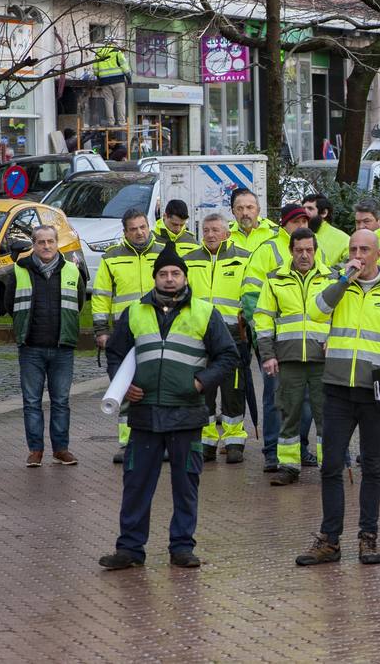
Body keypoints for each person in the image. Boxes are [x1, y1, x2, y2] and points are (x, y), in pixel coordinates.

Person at [98, 244, 239, 570]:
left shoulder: (205, 312)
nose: (170, 279)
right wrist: (122, 384)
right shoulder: (135, 311)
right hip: (144, 414)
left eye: (176, 273)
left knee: (185, 486)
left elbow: (228, 356)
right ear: (155, 278)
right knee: (135, 485)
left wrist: (201, 383)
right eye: (164, 274)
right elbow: (116, 353)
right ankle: (130, 550)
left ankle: (182, 548)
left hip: (186, 413)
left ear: (185, 277)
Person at [294, 229, 380, 567]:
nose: (358, 254)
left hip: (376, 392)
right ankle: (329, 540)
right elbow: (317, 311)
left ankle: (368, 537)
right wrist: (343, 281)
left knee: (372, 466)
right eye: (353, 248)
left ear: (378, 254)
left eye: (365, 249)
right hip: (336, 388)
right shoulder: (339, 284)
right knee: (331, 465)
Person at [1, 224, 86, 467]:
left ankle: (61, 449)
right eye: (41, 242)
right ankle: (35, 450)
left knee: (61, 401)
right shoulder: (19, 271)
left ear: (57, 243)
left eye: (50, 241)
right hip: (31, 348)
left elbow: (78, 304)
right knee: (31, 402)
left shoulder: (71, 270)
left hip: (62, 348)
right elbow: (10, 306)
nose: (46, 246)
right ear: (34, 245)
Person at [255, 228, 332, 486]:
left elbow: (344, 315)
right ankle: (288, 466)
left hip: (323, 359)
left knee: (327, 414)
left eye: (309, 250)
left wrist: (336, 340)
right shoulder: (274, 279)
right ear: (290, 251)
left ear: (316, 250)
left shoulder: (331, 278)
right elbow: (263, 319)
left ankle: (329, 465)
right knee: (289, 413)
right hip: (288, 359)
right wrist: (267, 354)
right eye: (299, 250)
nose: (304, 255)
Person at [93, 208, 166, 463]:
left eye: (143, 227)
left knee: (160, 384)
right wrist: (101, 331)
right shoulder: (111, 257)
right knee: (125, 386)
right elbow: (101, 295)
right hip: (126, 331)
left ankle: (161, 441)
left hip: (159, 328)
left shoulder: (163, 252)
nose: (139, 232)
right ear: (125, 232)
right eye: (133, 229)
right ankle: (127, 443)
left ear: (149, 226)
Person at [183, 213, 253, 464]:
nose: (210, 235)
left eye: (215, 230)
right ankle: (207, 442)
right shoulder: (189, 260)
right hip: (201, 335)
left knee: (234, 390)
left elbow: (251, 296)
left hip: (234, 334)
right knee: (204, 390)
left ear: (227, 233)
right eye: (206, 230)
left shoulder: (243, 259)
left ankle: (235, 442)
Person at [93, 39, 131, 126]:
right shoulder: (117, 52)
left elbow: (95, 70)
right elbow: (124, 66)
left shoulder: (98, 53)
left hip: (105, 81)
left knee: (108, 101)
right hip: (118, 80)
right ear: (113, 43)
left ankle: (111, 122)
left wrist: (99, 76)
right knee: (120, 101)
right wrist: (128, 77)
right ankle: (121, 122)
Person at [304, 194, 349, 267]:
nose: (304, 212)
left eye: (310, 208)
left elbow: (350, 269)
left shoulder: (344, 239)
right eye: (303, 209)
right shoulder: (295, 234)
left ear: (324, 213)